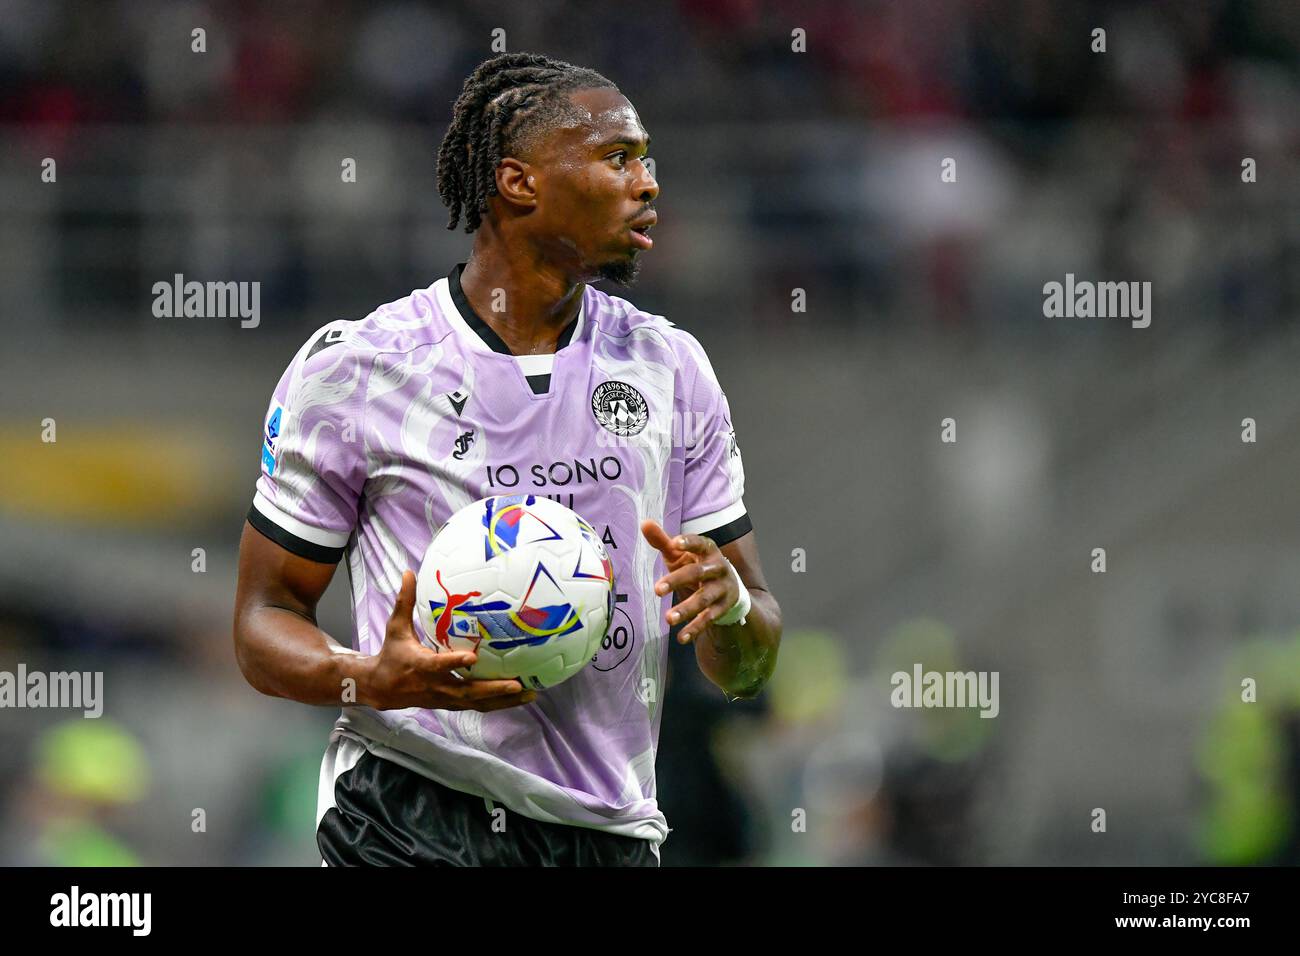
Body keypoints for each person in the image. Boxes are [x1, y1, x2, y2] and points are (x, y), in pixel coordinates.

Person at [232, 52, 781, 867]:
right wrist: (368, 677)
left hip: (610, 835)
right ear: (520, 182)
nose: (649, 182)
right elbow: (261, 623)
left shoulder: (671, 369)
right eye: (617, 156)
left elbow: (749, 662)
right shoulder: (359, 371)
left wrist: (730, 604)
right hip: (408, 807)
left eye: (647, 158)